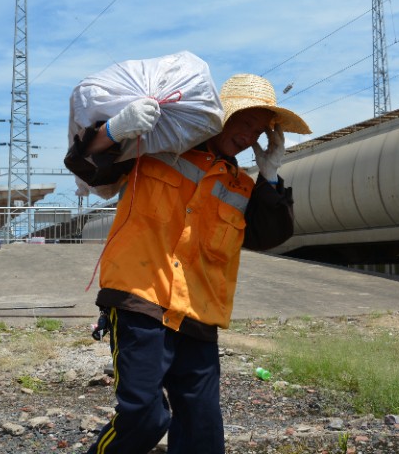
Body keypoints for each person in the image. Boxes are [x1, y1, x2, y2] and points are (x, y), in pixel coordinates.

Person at [65, 72, 311, 454]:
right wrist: (116, 129)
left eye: (259, 129)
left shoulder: (242, 187)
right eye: (244, 121)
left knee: (203, 433)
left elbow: (270, 235)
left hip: (198, 314)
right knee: (146, 418)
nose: (248, 136)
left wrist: (270, 177)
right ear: (222, 114)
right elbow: (88, 163)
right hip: (140, 301)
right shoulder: (158, 147)